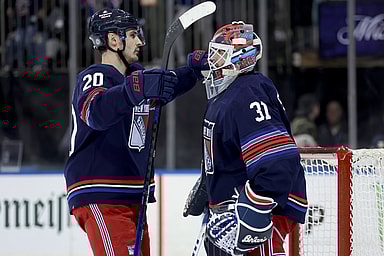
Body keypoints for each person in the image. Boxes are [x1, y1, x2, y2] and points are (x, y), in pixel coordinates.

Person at [63, 8, 207, 256]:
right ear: (113, 40)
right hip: (102, 192)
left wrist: (193, 71)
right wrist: (135, 89)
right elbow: (96, 112)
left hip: (131, 195)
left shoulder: (135, 79)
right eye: (132, 35)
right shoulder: (96, 76)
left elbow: (165, 84)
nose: (141, 41)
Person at [197, 21, 308, 255]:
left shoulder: (247, 92)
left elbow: (276, 160)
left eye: (218, 55)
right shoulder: (225, 96)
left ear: (237, 58)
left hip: (255, 216)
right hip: (227, 217)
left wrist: (253, 215)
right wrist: (210, 186)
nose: (211, 63)